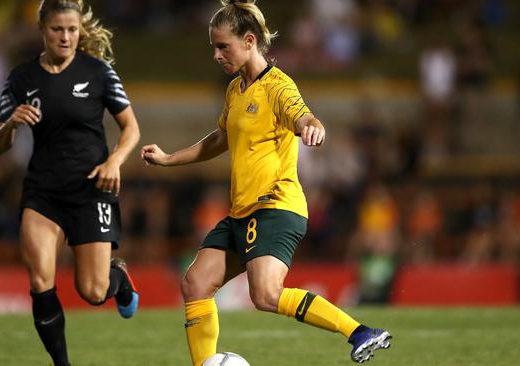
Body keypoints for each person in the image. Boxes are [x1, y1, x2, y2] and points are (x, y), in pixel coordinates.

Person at [141, 1, 391, 364]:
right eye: (213, 46)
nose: (216, 54)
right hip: (242, 211)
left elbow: (303, 116)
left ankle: (359, 332)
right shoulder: (235, 90)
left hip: (275, 206)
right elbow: (219, 139)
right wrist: (168, 158)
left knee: (266, 295)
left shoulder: (277, 85)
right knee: (195, 283)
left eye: (222, 46)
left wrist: (312, 128)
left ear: (248, 41)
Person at [0, 1, 140, 365]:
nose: (66, 37)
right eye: (58, 29)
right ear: (42, 30)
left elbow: (131, 128)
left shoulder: (99, 72)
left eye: (72, 30)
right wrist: (11, 124)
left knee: (92, 291)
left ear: (80, 31)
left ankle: (117, 279)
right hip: (43, 192)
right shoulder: (21, 77)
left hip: (91, 190)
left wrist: (114, 161)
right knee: (40, 281)